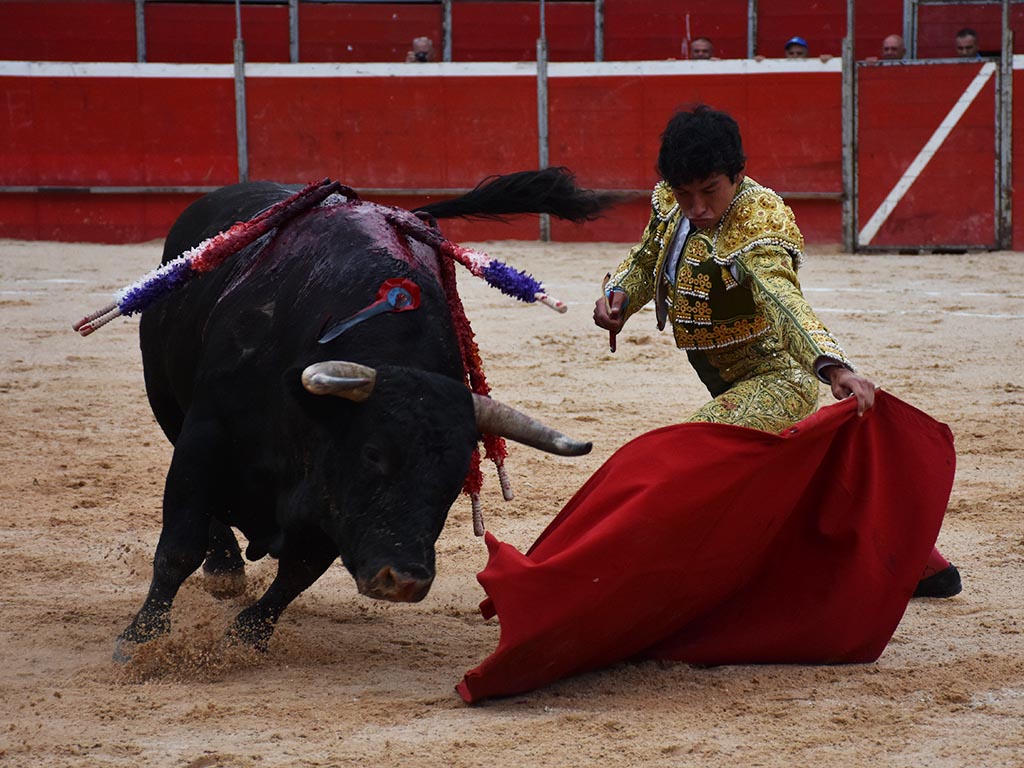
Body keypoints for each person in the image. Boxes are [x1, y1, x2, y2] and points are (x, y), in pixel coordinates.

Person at [593, 104, 961, 597]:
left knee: (691, 457)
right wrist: (619, 296)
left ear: (737, 175)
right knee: (807, 479)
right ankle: (922, 565)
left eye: (710, 191)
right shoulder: (671, 203)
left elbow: (782, 299)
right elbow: (645, 262)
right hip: (725, 378)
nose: (697, 207)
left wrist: (833, 365)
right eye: (685, 194)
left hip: (776, 379)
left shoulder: (759, 221)